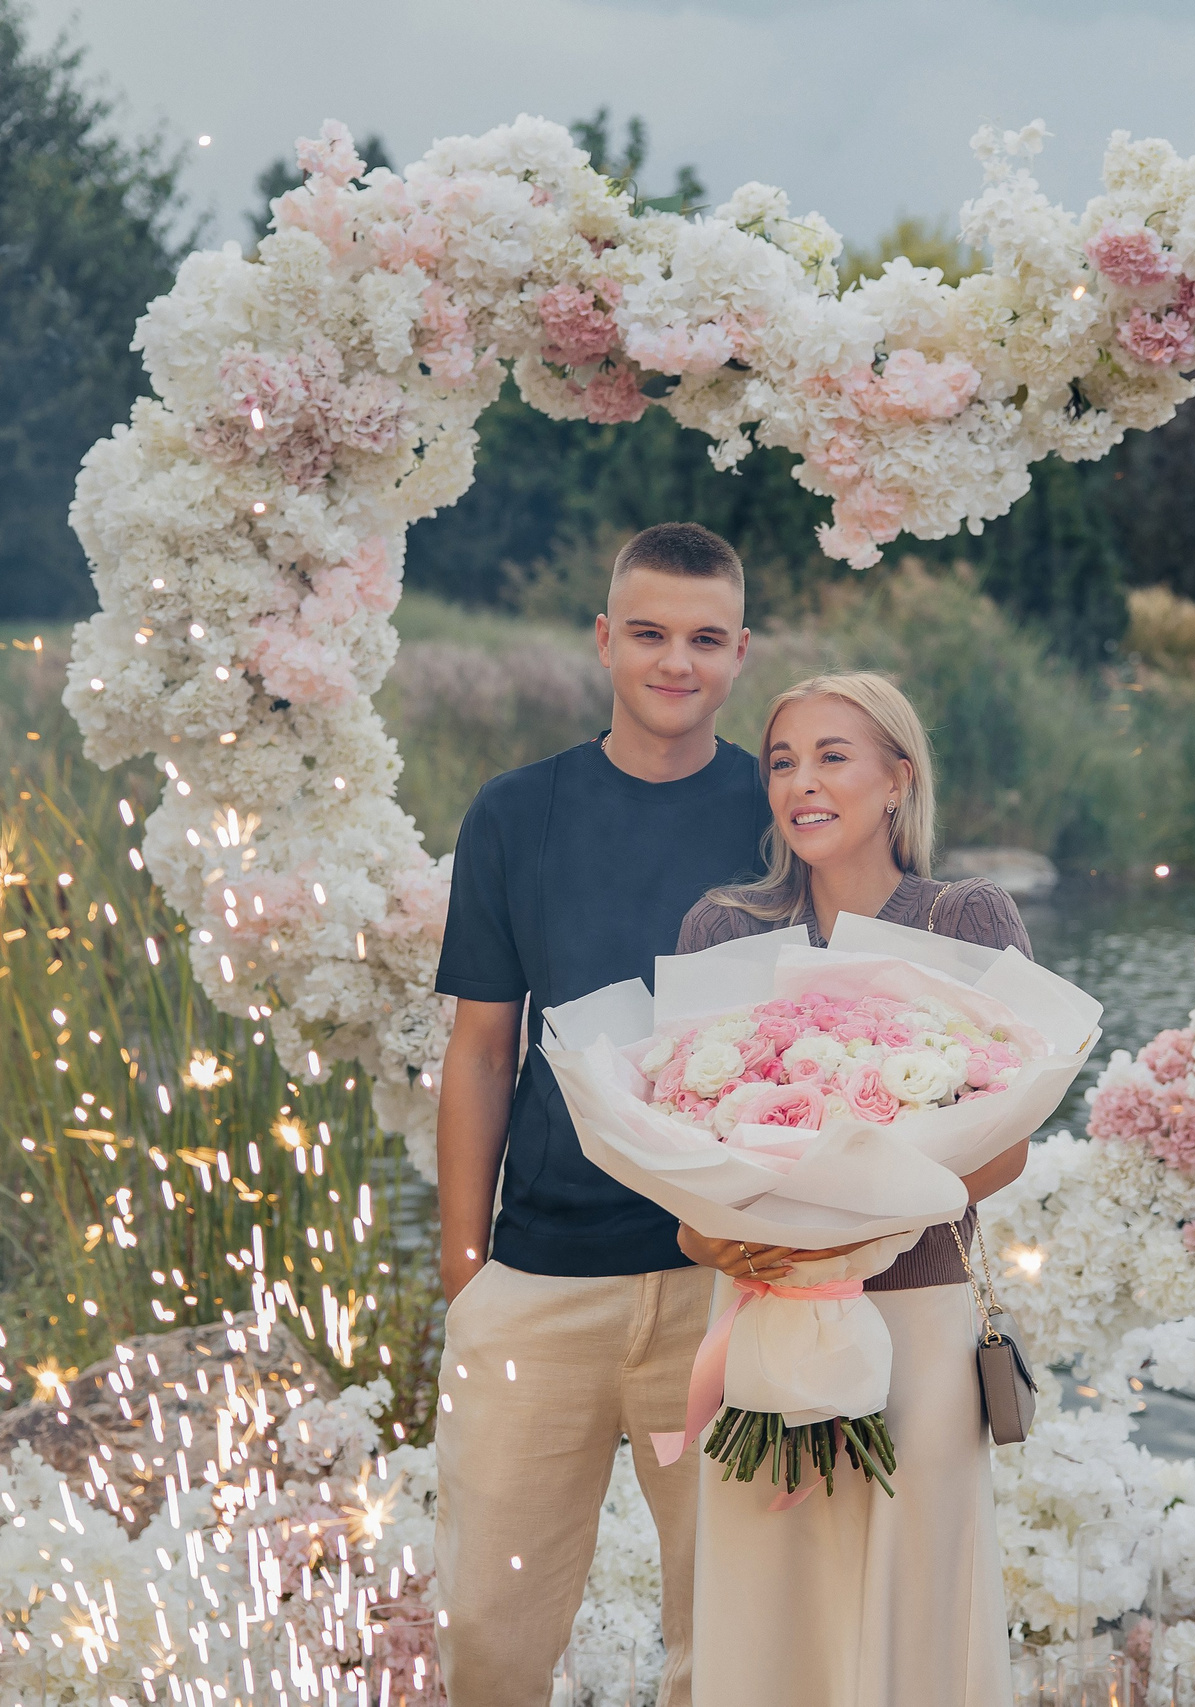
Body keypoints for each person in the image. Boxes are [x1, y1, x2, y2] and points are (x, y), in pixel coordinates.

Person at [431, 523, 766, 1707]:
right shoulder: (518, 812)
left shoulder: (784, 817)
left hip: (725, 1287)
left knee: (723, 1636)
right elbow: (481, 1050)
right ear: (604, 640)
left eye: (704, 640)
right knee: (488, 1630)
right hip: (542, 1280)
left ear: (741, 655)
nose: (676, 662)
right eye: (649, 634)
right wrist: (467, 1264)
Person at [675, 670, 1031, 1707]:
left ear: (895, 780)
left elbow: (1006, 1149)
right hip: (763, 1313)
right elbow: (681, 1156)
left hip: (918, 1315)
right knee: (769, 1597)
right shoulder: (722, 930)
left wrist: (860, 1231)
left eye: (833, 756)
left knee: (914, 1589)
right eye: (782, 762)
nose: (803, 782)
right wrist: (723, 1243)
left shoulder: (965, 916)